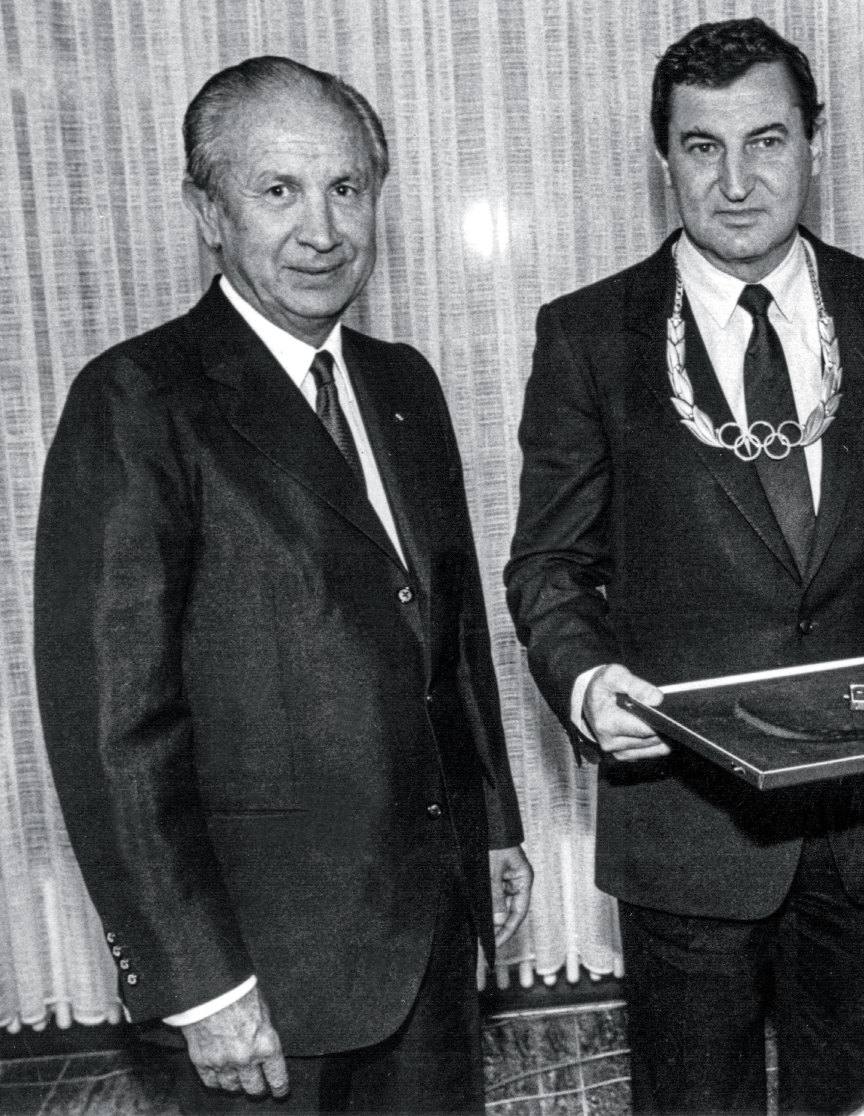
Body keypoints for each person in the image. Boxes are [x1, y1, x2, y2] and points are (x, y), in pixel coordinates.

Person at [35, 55, 532, 1115]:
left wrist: (493, 826)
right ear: (207, 212)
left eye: (346, 188)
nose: (322, 229)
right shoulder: (138, 400)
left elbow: (450, 638)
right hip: (262, 984)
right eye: (279, 191)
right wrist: (201, 982)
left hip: (432, 947)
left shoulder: (405, 385)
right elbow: (113, 729)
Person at [506, 17, 864, 1116]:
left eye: (765, 141)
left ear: (816, 142)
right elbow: (548, 564)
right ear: (662, 157)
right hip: (687, 817)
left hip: (862, 811)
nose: (735, 180)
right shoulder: (590, 335)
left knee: (859, 1095)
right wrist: (583, 681)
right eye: (702, 147)